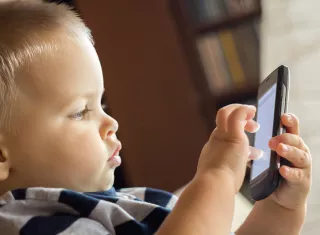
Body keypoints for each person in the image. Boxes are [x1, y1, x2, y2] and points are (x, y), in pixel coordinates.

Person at [0, 1, 312, 234]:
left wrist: (280, 207)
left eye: (102, 104)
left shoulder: (131, 203)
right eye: (81, 112)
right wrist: (216, 176)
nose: (112, 124)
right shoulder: (30, 223)